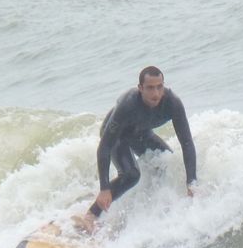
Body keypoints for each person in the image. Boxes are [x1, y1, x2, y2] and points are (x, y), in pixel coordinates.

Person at [78, 66, 196, 231]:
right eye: (150, 88)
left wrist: (192, 182)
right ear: (140, 88)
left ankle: (147, 210)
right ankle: (90, 216)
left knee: (164, 163)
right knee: (131, 174)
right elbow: (104, 147)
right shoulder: (128, 104)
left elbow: (187, 143)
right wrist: (104, 188)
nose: (155, 93)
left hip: (140, 133)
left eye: (159, 87)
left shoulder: (173, 103)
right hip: (116, 135)